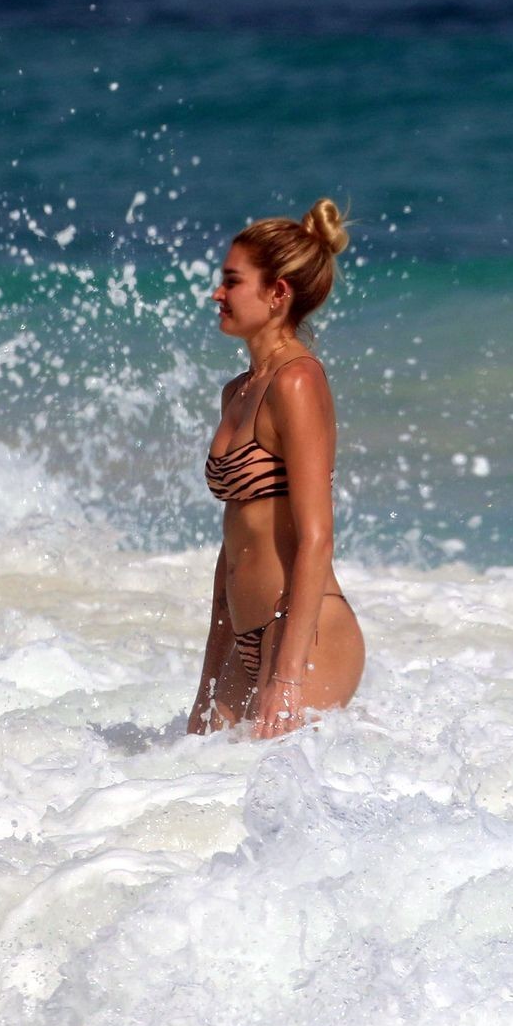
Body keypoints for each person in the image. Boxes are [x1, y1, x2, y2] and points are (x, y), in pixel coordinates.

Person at [188, 199, 364, 739]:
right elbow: (234, 550)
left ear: (277, 293)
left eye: (231, 281)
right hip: (247, 635)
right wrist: (206, 687)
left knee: (271, 780)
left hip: (304, 634)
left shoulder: (297, 381)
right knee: (193, 769)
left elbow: (317, 537)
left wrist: (286, 677)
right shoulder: (237, 393)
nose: (217, 294)